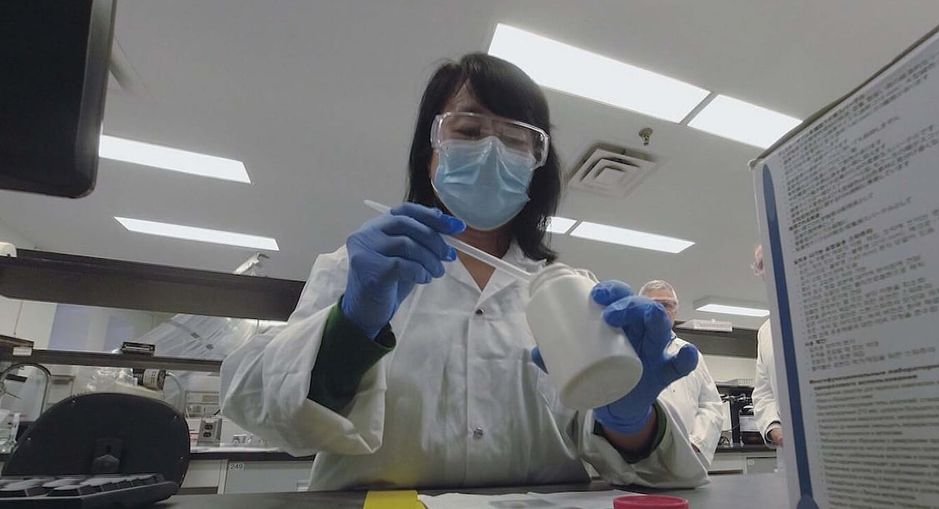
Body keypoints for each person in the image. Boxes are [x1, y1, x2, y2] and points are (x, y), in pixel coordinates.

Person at [220, 53, 709, 490]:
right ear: (430, 152)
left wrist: (631, 422)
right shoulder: (358, 268)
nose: (492, 149)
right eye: (469, 131)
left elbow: (637, 465)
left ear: (537, 164)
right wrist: (350, 327)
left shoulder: (570, 290)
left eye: (515, 138)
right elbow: (258, 405)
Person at [638, 280, 725, 466]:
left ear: (676, 311)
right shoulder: (626, 351)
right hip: (637, 460)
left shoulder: (691, 353)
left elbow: (711, 405)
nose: (661, 311)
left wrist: (695, 443)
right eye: (653, 305)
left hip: (687, 458)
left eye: (667, 305)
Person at [750, 244, 782, 446]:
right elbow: (763, 392)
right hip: (788, 447)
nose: (769, 268)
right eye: (762, 264)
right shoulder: (766, 331)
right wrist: (775, 430)